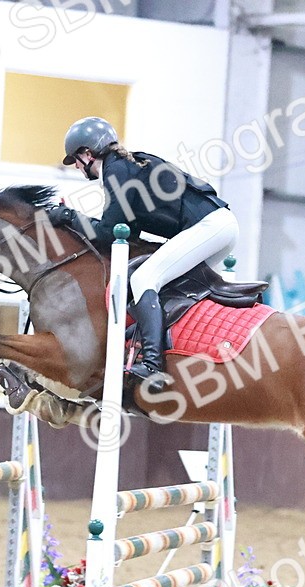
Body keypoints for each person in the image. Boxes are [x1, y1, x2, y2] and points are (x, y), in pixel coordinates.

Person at [47, 116, 238, 385]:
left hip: (210, 227)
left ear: (87, 154)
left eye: (75, 161)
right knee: (167, 285)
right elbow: (127, 231)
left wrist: (68, 215)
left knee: (143, 278)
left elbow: (107, 231)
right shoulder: (124, 167)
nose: (77, 167)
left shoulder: (116, 170)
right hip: (217, 227)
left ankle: (153, 365)